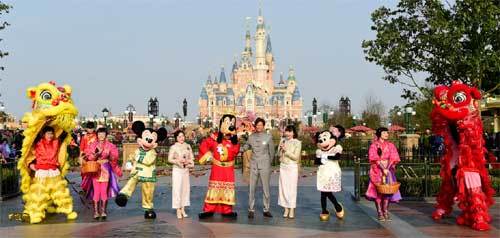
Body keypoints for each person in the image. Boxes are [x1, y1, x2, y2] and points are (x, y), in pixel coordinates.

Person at [198, 114, 240, 219]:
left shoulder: (234, 141)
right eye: (227, 123)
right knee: (214, 187)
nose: (230, 126)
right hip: (217, 168)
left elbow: (234, 151)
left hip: (228, 169)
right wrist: (208, 155)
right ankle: (209, 209)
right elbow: (204, 144)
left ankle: (227, 210)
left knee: (227, 188)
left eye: (232, 123)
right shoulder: (215, 138)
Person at [83, 128, 122, 220]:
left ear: (106, 135)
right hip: (95, 169)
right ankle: (96, 212)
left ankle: (103, 211)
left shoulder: (110, 145)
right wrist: (96, 155)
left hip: (105, 169)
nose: (101, 135)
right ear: (97, 135)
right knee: (96, 191)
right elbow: (88, 156)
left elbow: (115, 158)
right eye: (99, 134)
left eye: (103, 134)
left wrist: (110, 155)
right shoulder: (92, 145)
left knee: (103, 191)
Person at [365, 127, 402, 221]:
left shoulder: (391, 145)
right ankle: (380, 213)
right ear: (379, 134)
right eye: (384, 132)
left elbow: (394, 157)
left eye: (387, 132)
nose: (387, 134)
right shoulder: (374, 145)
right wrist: (383, 168)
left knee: (387, 192)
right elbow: (374, 158)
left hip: (388, 170)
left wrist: (387, 168)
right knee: (378, 193)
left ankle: (385, 211)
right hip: (377, 171)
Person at [243, 117, 275, 218]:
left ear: (263, 126)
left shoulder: (268, 137)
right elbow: (247, 146)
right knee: (252, 188)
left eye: (261, 125)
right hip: (253, 165)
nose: (259, 127)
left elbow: (272, 152)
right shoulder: (251, 137)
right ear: (255, 126)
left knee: (266, 189)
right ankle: (251, 209)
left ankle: (266, 209)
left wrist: (268, 163)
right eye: (257, 125)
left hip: (265, 165)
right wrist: (241, 148)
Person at [168, 130, 194, 219]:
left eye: (182, 136)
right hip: (177, 170)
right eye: (179, 136)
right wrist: (177, 161)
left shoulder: (188, 146)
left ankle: (183, 208)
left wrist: (189, 162)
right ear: (176, 138)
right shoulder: (173, 147)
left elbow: (192, 157)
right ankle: (178, 210)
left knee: (185, 189)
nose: (181, 138)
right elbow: (169, 159)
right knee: (177, 189)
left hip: (185, 170)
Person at [277, 125, 301, 219]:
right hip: (283, 166)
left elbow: (296, 157)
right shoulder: (282, 141)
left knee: (291, 188)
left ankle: (291, 209)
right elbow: (278, 154)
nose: (287, 133)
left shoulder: (297, 143)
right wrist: (280, 149)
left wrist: (286, 150)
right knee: (283, 188)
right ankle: (285, 208)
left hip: (292, 167)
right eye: (286, 131)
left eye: (290, 131)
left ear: (293, 133)